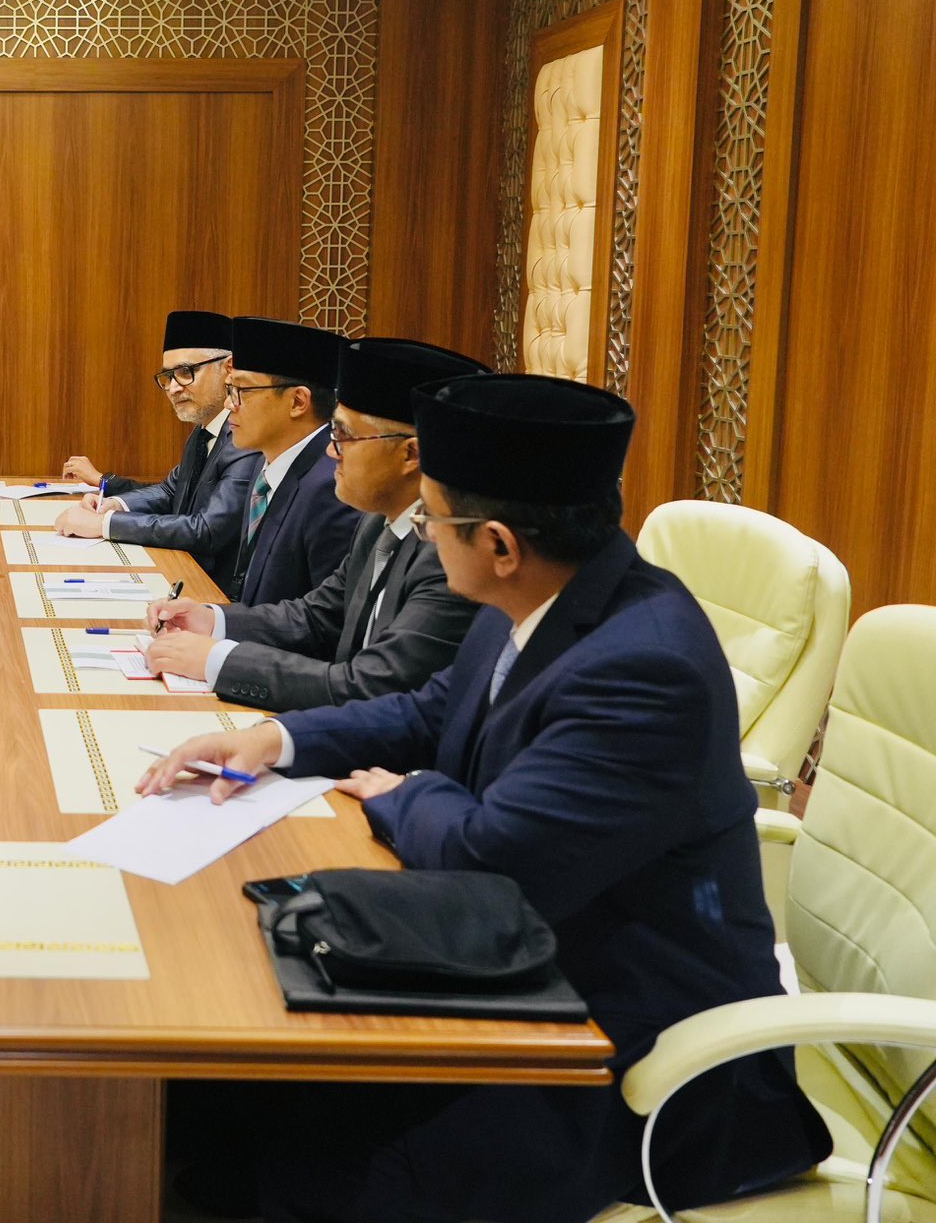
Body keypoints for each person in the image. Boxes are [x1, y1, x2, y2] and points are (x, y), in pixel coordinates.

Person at [140, 375, 829, 1223]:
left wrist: (409, 793)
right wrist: (277, 742)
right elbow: (431, 712)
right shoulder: (547, 592)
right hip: (526, 983)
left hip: (629, 1062)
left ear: (498, 542)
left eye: (431, 520)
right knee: (222, 1110)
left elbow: (488, 860)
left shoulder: (641, 667)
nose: (422, 535)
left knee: (318, 1167)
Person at [143, 337, 485, 707]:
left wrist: (219, 661)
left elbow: (374, 685)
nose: (329, 449)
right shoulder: (378, 522)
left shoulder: (448, 552)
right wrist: (211, 620)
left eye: (344, 434)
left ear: (410, 454)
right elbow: (317, 617)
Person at [55, 309, 260, 589]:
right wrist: (117, 504)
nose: (173, 388)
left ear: (228, 368)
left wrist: (106, 525)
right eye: (168, 376)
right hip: (183, 575)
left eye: (186, 372)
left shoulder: (244, 436)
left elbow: (207, 530)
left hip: (217, 593)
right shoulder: (203, 430)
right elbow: (170, 490)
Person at [219, 316, 355, 606]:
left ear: (297, 402)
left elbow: (324, 623)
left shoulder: (329, 488)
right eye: (230, 390)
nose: (229, 404)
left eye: (241, 391)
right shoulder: (265, 461)